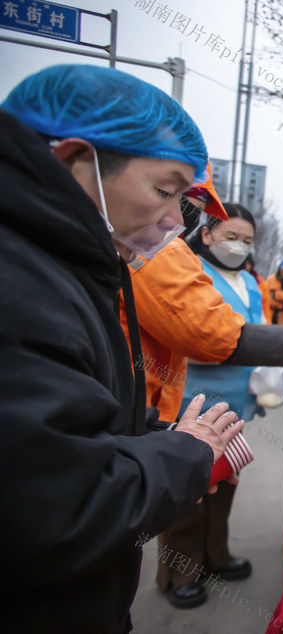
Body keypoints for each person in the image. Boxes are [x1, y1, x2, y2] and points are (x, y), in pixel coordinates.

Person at [0, 64, 242, 632]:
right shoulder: (19, 283)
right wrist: (189, 453)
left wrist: (175, 447)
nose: (171, 221)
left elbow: (87, 429)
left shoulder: (79, 268)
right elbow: (61, 503)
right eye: (165, 190)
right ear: (72, 161)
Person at [123, 170, 283, 607]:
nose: (240, 246)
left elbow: (249, 330)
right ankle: (179, 575)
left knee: (223, 484)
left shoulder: (251, 282)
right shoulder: (172, 260)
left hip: (235, 405)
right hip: (190, 403)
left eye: (248, 240)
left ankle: (215, 556)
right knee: (187, 492)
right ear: (209, 234)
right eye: (231, 235)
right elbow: (208, 334)